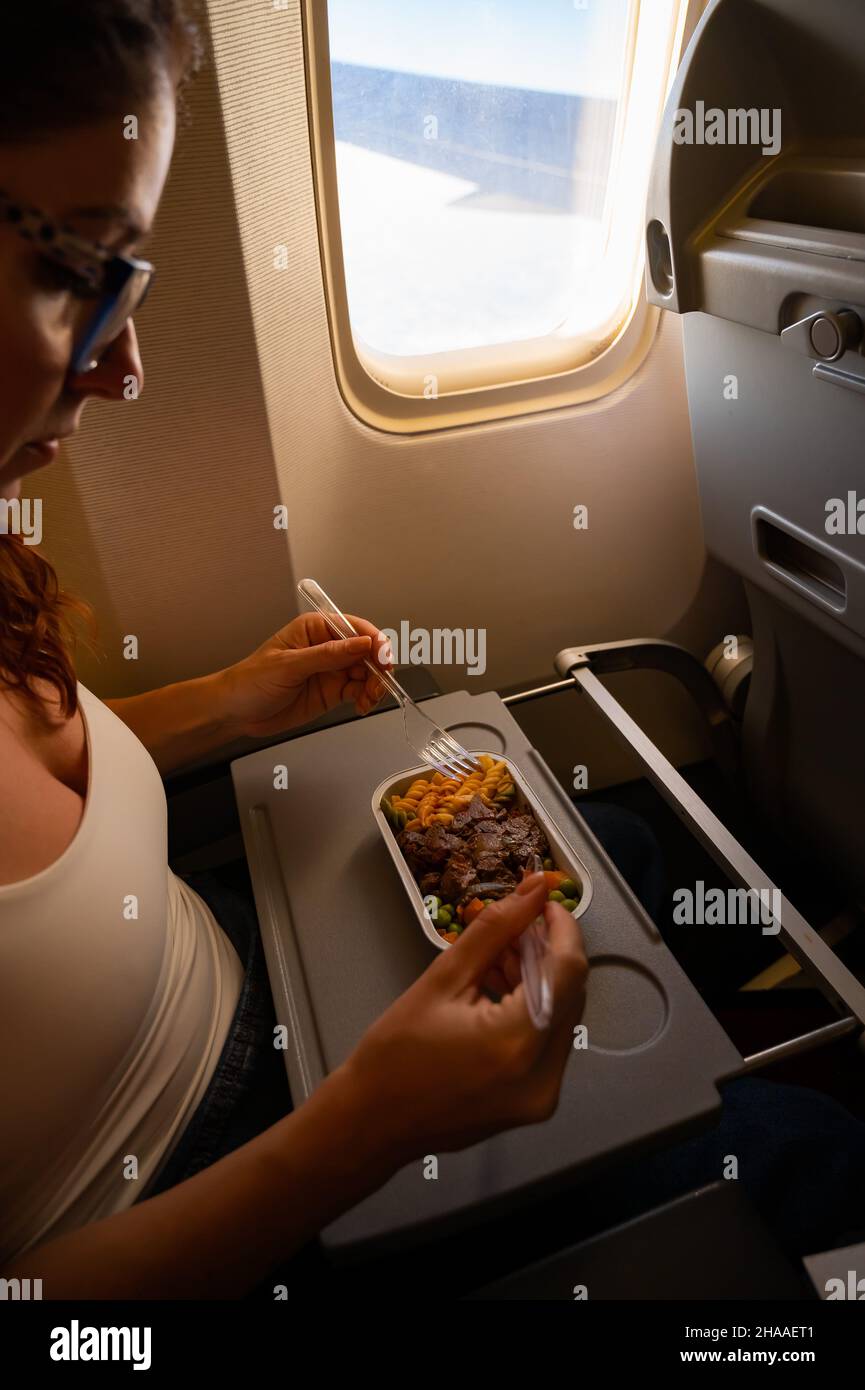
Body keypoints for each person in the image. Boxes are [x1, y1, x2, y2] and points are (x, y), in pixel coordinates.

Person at [0, 2, 587, 1298]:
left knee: (623, 856)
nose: (126, 364)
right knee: (805, 1154)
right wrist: (368, 1128)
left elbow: (38, 792)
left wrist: (234, 700)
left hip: (246, 981)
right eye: (73, 265)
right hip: (217, 1207)